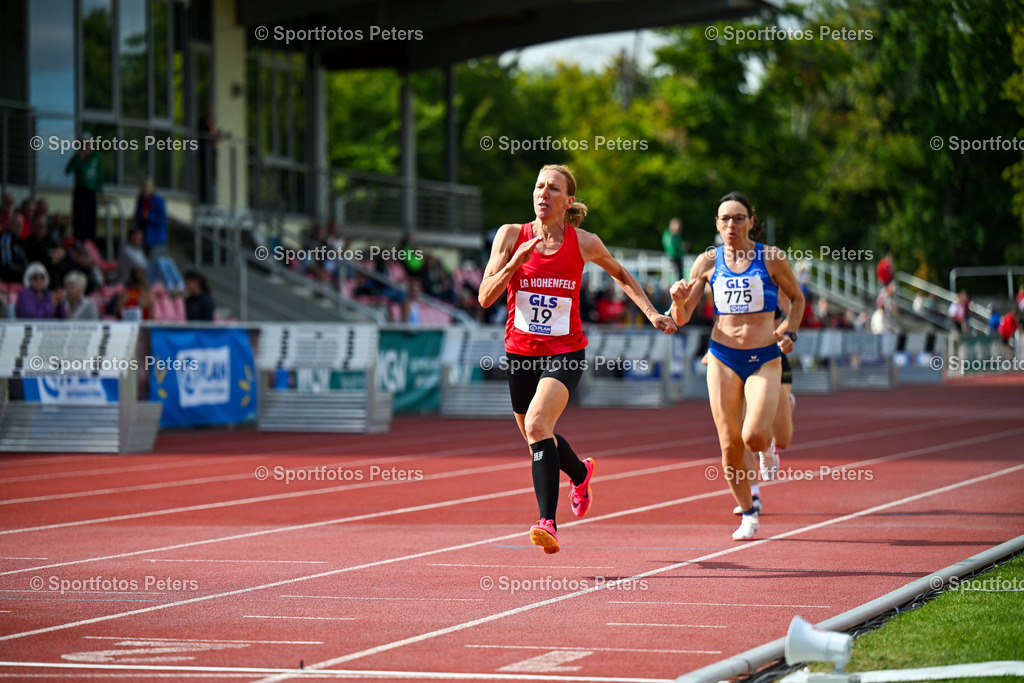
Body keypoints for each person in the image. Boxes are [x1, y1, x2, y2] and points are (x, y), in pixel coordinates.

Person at [478, 164, 677, 554]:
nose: (543, 194)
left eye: (553, 188)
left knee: (537, 424)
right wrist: (515, 262)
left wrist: (652, 312)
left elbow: (620, 274)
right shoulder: (509, 236)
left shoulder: (583, 242)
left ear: (568, 200)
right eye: (538, 186)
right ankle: (580, 472)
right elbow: (485, 297)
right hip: (520, 353)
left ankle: (547, 523)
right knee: (536, 436)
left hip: (565, 352)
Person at [668, 191, 804, 541]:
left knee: (754, 436)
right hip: (723, 356)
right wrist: (677, 301)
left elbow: (798, 300)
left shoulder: (771, 258)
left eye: (739, 218)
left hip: (764, 357)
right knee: (729, 444)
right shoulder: (707, 262)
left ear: (751, 222)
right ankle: (747, 511)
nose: (732, 225)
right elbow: (681, 318)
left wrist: (789, 330)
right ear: (717, 224)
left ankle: (768, 445)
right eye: (725, 219)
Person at [64, 134, 103, 243]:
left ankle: (90, 244)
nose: (87, 146)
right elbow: (68, 170)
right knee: (79, 219)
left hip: (91, 191)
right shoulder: (77, 158)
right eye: (84, 144)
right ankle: (79, 242)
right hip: (80, 191)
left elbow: (99, 176)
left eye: (88, 143)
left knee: (91, 219)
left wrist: (101, 193)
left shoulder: (96, 157)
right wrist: (79, 158)